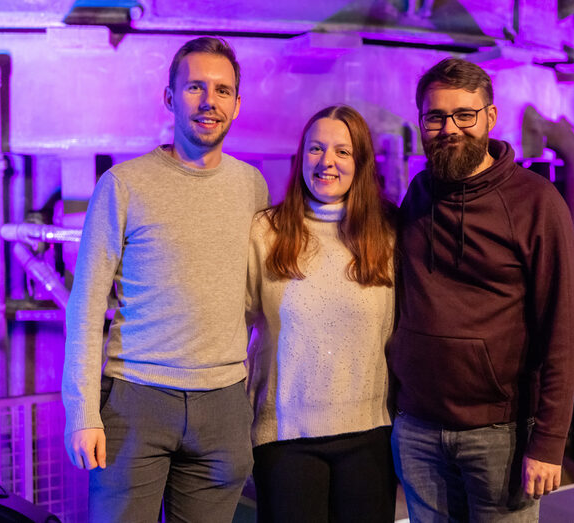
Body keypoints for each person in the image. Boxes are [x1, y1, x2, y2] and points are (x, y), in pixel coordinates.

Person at [62, 36, 268, 522]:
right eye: (195, 87)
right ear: (170, 97)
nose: (208, 101)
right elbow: (87, 305)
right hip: (136, 398)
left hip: (223, 404)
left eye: (222, 91)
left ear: (237, 105)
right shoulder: (124, 184)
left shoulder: (252, 185)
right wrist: (82, 413)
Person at [388, 58, 574, 522]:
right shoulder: (419, 193)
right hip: (418, 429)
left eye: (464, 115)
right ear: (421, 123)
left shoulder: (536, 202)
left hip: (501, 435)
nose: (449, 128)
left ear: (490, 118)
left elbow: (563, 332)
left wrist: (550, 443)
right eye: (435, 117)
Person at [245, 105, 397, 523]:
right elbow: (233, 331)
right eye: (315, 149)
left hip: (369, 436)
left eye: (342, 152)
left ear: (360, 162)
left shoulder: (388, 235)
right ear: (301, 158)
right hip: (285, 441)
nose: (326, 162)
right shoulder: (265, 232)